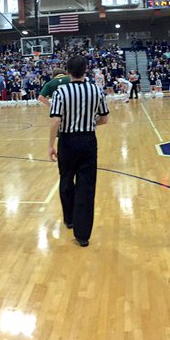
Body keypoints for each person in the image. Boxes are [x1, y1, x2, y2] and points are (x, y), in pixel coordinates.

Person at [49, 55, 109, 247]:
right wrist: (90, 124)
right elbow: (105, 119)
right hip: (88, 140)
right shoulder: (96, 90)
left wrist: (50, 144)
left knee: (66, 180)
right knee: (86, 186)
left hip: (67, 141)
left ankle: (70, 218)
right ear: (85, 70)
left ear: (67, 72)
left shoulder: (61, 91)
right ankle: (83, 235)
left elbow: (56, 120)